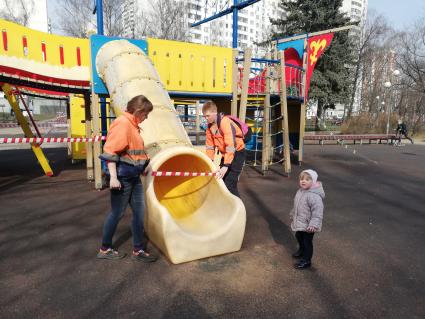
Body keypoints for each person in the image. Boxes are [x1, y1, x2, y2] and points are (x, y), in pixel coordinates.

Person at [97, 95, 157, 263]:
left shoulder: (133, 125)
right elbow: (110, 150)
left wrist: (143, 166)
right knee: (117, 213)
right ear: (138, 111)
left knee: (139, 212)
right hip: (122, 177)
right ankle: (105, 248)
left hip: (134, 176)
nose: (147, 117)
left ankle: (138, 250)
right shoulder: (123, 124)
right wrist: (113, 177)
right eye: (146, 114)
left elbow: (134, 151)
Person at [202, 100, 246, 197]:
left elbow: (230, 146)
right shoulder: (209, 127)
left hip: (237, 153)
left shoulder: (224, 122)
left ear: (214, 112)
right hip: (226, 155)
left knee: (230, 184)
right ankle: (229, 206)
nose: (206, 118)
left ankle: (239, 209)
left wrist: (225, 166)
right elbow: (210, 147)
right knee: (222, 180)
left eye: (207, 116)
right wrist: (210, 163)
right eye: (204, 116)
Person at [290, 169, 325, 270]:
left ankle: (307, 260)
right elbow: (296, 205)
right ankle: (302, 251)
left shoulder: (314, 196)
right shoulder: (300, 191)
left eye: (307, 179)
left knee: (307, 242)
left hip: (309, 225)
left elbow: (318, 213)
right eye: (301, 179)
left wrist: (313, 224)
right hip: (301, 222)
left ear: (313, 181)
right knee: (298, 236)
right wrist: (293, 214)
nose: (303, 181)